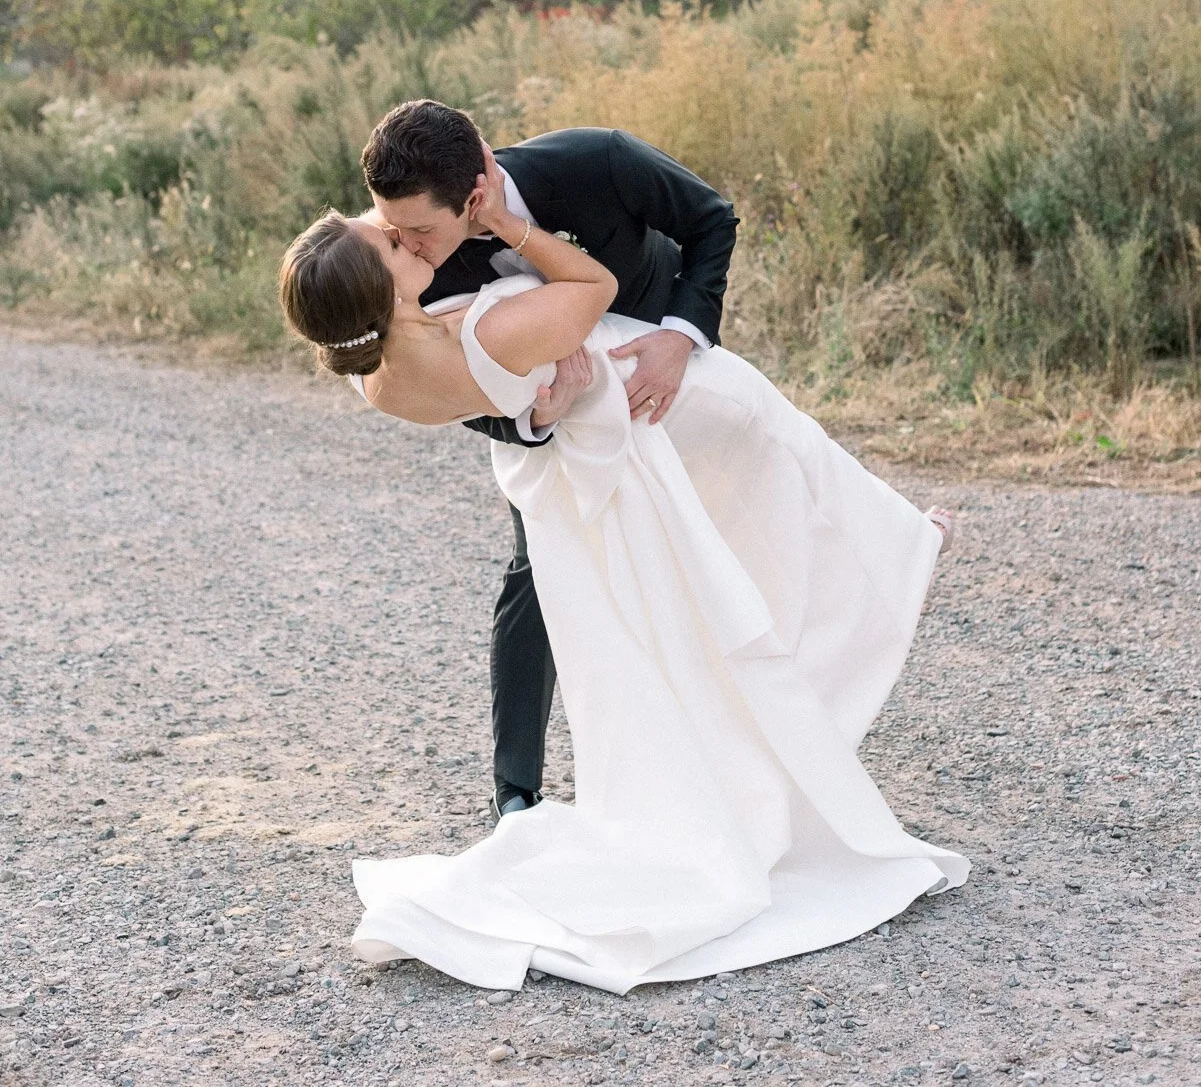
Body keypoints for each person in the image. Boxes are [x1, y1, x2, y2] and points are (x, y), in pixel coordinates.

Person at [279, 136, 967, 995]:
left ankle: (885, 550)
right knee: (770, 448)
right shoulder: (480, 319)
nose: (399, 237)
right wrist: (521, 274)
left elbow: (696, 229)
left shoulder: (375, 368)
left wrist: (545, 402)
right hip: (634, 420)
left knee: (682, 582)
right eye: (389, 241)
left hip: (573, 459)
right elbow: (591, 290)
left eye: (401, 228)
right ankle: (892, 555)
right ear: (384, 285)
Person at [358, 100, 741, 823]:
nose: (400, 243)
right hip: (550, 416)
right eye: (389, 225)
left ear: (476, 195)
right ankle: (515, 792)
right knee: (538, 560)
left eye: (416, 229)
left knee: (719, 524)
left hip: (660, 371)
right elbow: (453, 391)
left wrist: (680, 338)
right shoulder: (408, 264)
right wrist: (535, 420)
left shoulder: (594, 162)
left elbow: (711, 220)